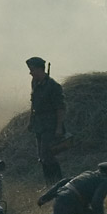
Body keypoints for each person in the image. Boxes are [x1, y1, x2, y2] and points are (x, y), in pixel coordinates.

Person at [26, 56, 67, 186]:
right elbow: (34, 103)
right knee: (42, 157)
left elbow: (60, 108)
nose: (30, 72)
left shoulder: (53, 86)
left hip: (50, 125)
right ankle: (49, 184)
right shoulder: (35, 83)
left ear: (40, 69)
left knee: (48, 156)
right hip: (39, 125)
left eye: (32, 69)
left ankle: (58, 184)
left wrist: (59, 128)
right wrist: (30, 121)